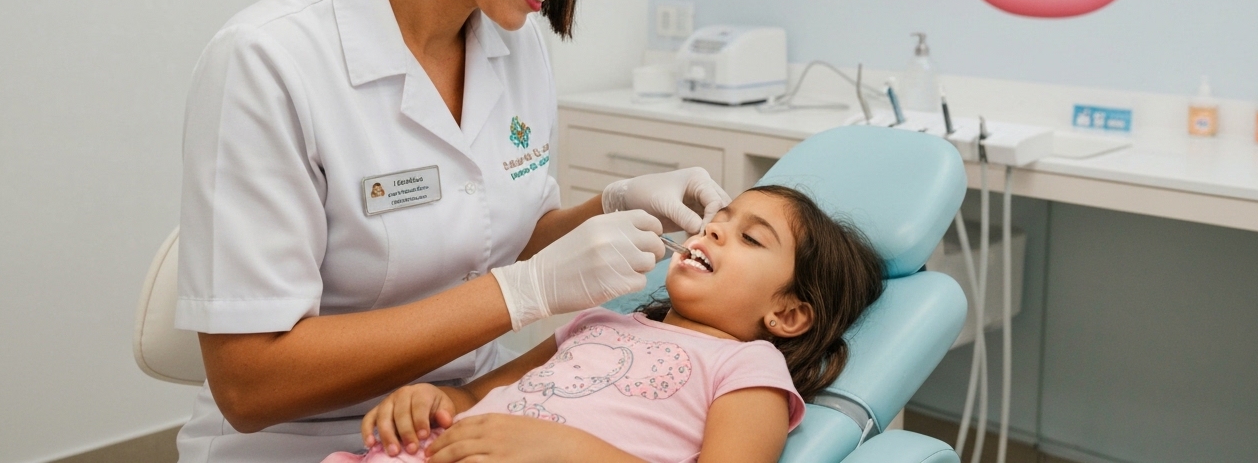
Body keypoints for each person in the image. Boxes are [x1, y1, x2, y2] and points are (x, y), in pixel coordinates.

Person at [175, 0, 730, 463]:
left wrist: (611, 205)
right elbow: (250, 384)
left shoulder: (515, 45)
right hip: (306, 442)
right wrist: (523, 293)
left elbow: (498, 233)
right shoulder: (268, 63)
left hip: (466, 421)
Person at [353, 185, 886, 463]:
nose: (713, 232)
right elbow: (467, 400)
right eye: (717, 222)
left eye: (751, 238)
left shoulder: (748, 367)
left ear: (788, 314)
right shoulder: (598, 323)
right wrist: (426, 400)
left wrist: (571, 453)